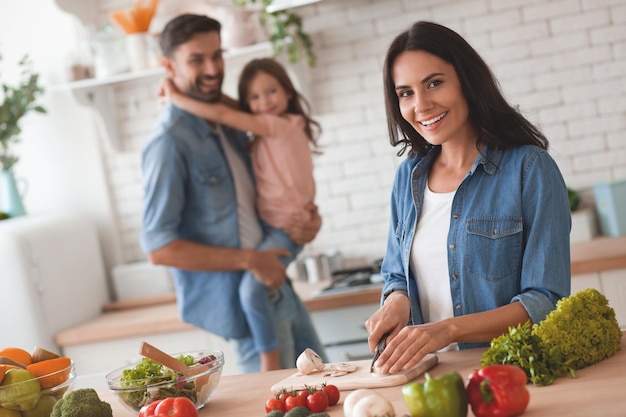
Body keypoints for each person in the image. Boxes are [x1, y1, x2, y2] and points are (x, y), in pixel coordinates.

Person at [365, 21, 571, 375]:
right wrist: (397, 300)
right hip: (431, 379)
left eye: (434, 83)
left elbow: (545, 300)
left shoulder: (529, 170)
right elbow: (396, 275)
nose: (422, 105)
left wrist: (447, 330)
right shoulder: (408, 178)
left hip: (510, 376)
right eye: (406, 93)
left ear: (466, 80)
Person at [140, 13, 326, 373]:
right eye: (197, 59)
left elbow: (270, 188)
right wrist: (249, 260)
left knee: (326, 399)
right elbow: (159, 248)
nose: (212, 68)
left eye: (218, 55)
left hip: (279, 287)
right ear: (168, 65)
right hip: (246, 313)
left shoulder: (226, 122)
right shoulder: (169, 142)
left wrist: (306, 220)